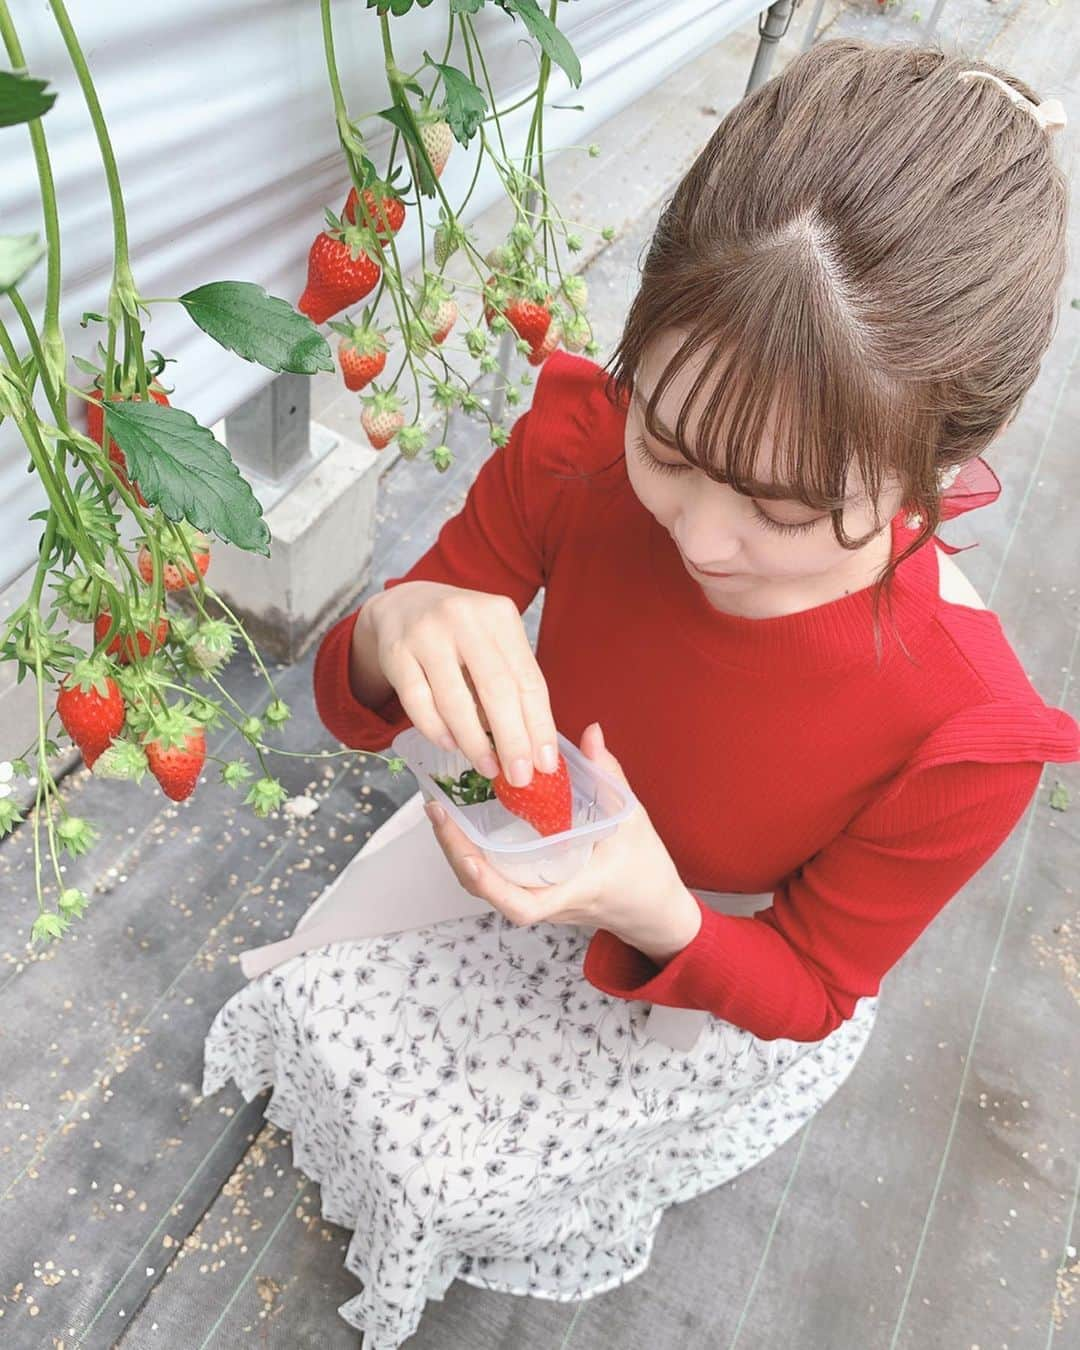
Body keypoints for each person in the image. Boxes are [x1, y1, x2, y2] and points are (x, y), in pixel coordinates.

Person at [202, 39, 1079, 1349]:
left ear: (948, 461)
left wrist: (651, 904)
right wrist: (396, 625)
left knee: (463, 1176)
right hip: (506, 842)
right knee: (329, 1051)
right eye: (666, 441)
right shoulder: (574, 443)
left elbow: (810, 984)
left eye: (789, 510)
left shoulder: (966, 734)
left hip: (695, 964)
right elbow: (356, 699)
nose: (703, 535)